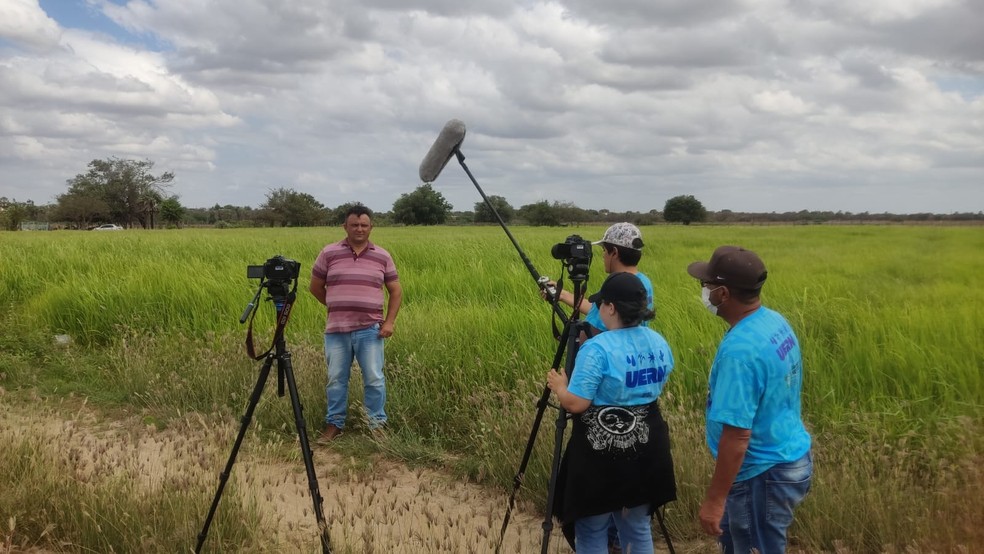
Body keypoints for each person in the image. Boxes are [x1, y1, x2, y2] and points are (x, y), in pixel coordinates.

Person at [687, 246, 812, 553]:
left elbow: (737, 436)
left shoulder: (740, 352)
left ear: (723, 294)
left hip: (761, 473)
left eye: (706, 285)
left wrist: (715, 500)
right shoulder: (773, 321)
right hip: (786, 455)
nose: (704, 291)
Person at [546, 272, 677, 554]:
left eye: (601, 303)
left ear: (611, 308)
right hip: (647, 446)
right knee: (637, 527)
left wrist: (560, 387)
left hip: (601, 454)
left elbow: (576, 404)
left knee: (591, 528)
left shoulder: (597, 348)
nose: (597, 309)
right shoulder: (658, 342)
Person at [309, 205, 402, 441]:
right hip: (336, 330)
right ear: (345, 227)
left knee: (374, 378)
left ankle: (376, 425)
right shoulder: (329, 253)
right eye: (354, 225)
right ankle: (334, 424)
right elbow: (315, 287)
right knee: (336, 379)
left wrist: (389, 322)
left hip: (370, 330)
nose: (359, 229)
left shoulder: (382, 256)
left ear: (371, 227)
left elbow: (396, 291)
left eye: (363, 225)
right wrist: (335, 304)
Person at [545, 222, 654, 337]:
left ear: (614, 252)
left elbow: (592, 331)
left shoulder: (617, 286)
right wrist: (562, 295)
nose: (603, 255)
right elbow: (599, 311)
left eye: (604, 250)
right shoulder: (642, 281)